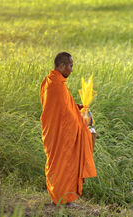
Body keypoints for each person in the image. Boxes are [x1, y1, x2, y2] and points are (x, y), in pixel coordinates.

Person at [40, 52, 96, 205]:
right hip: (60, 133)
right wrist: (82, 124)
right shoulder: (55, 85)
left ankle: (60, 197)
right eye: (70, 66)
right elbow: (63, 114)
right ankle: (62, 199)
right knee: (63, 164)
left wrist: (78, 108)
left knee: (59, 164)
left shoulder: (50, 81)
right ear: (62, 65)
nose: (72, 69)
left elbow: (64, 107)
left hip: (54, 130)